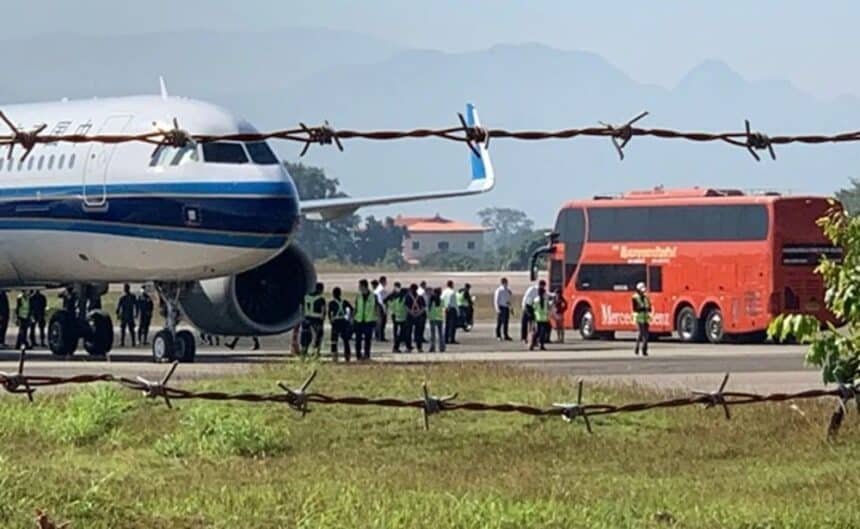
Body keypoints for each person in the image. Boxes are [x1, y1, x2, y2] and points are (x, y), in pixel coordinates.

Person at [353, 279, 377, 360]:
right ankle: (358, 355)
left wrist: (377, 319)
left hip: (369, 321)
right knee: (358, 340)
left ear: (364, 287)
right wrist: (353, 318)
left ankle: (367, 355)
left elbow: (376, 308)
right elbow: (356, 307)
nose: (359, 288)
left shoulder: (373, 296)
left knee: (368, 340)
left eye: (360, 286)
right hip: (359, 320)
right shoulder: (358, 296)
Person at [301, 282, 326, 356]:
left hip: (306, 320)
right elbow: (323, 311)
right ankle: (316, 354)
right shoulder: (321, 299)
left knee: (305, 340)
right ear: (321, 290)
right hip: (317, 321)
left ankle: (303, 356)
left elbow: (301, 309)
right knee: (318, 338)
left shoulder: (305, 297)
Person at [328, 287, 353, 362]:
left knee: (334, 340)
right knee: (346, 340)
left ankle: (334, 356)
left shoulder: (332, 303)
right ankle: (347, 356)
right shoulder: (344, 302)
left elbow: (330, 313)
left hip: (336, 322)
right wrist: (349, 318)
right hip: (343, 321)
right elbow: (352, 309)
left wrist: (331, 321)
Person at [405, 283, 427, 352]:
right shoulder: (420, 297)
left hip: (410, 316)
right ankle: (419, 347)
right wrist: (419, 314)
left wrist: (411, 313)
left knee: (408, 332)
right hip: (419, 317)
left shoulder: (408, 297)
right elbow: (424, 307)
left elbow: (406, 307)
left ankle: (408, 347)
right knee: (418, 333)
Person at [632, 282, 652, 356]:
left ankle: (637, 348)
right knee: (644, 335)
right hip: (639, 318)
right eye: (642, 290)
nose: (643, 291)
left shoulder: (646, 297)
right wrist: (643, 308)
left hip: (646, 318)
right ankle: (644, 349)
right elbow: (635, 308)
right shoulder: (635, 297)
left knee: (642, 334)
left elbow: (649, 306)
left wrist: (648, 309)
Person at [529, 284, 550, 351]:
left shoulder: (536, 300)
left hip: (538, 318)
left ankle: (534, 344)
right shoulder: (544, 300)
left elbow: (532, 308)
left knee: (538, 332)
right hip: (543, 318)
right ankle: (539, 344)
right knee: (542, 333)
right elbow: (547, 309)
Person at [385, 282, 404, 350]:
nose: (397, 288)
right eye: (397, 286)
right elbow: (385, 300)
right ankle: (396, 340)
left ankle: (400, 339)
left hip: (400, 314)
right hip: (394, 313)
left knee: (401, 329)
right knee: (396, 328)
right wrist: (390, 305)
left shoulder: (401, 294)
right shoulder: (392, 294)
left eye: (398, 286)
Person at [390, 286, 408, 353]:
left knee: (402, 333)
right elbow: (406, 309)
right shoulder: (404, 300)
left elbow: (393, 308)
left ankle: (407, 346)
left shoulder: (396, 300)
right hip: (403, 318)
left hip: (397, 318)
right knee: (402, 334)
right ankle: (396, 347)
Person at [427, 287, 445, 352]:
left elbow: (428, 308)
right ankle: (442, 347)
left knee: (433, 334)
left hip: (433, 318)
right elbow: (443, 308)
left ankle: (432, 347)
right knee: (441, 334)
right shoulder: (441, 300)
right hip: (440, 318)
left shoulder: (432, 300)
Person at [441, 280, 458, 344]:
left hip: (446, 309)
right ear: (451, 285)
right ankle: (452, 339)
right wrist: (458, 311)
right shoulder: (452, 292)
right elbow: (455, 303)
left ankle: (446, 339)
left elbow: (441, 299)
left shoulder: (444, 292)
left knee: (447, 324)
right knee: (453, 325)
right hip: (452, 309)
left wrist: (444, 307)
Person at [373, 276, 388, 341]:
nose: (386, 283)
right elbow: (384, 299)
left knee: (381, 323)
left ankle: (380, 336)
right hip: (381, 306)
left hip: (380, 306)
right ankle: (380, 337)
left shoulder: (379, 289)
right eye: (385, 281)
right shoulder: (381, 289)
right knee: (381, 323)